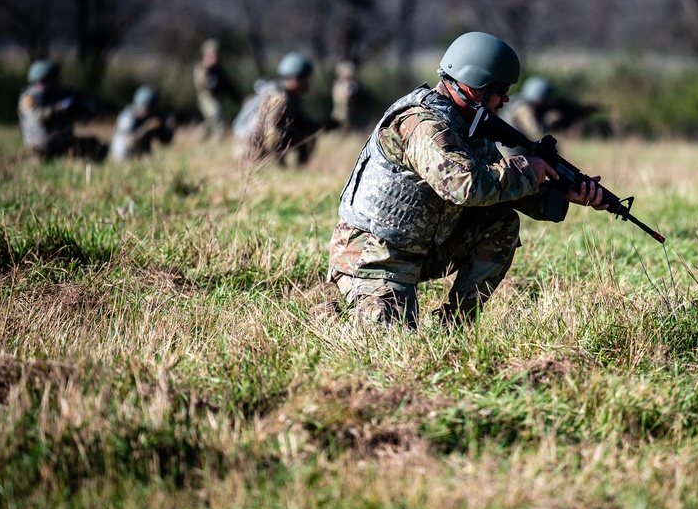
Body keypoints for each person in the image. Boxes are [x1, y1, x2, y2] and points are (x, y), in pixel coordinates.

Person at [327, 31, 609, 329]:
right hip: (374, 257)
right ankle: (334, 309)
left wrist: (560, 192)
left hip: (422, 248)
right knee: (392, 343)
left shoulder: (470, 127)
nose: (506, 99)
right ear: (476, 86)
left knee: (500, 221)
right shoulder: (422, 124)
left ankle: (458, 324)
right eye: (501, 89)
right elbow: (464, 187)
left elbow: (497, 186)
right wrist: (528, 167)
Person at [235, 52, 325, 167]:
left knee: (306, 132)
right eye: (306, 77)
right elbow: (270, 130)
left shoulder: (291, 97)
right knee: (277, 134)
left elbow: (302, 122)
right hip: (250, 150)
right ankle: (279, 168)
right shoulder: (280, 98)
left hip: (258, 146)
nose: (309, 82)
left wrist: (325, 124)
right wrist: (278, 164)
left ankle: (299, 168)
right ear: (295, 78)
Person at [17, 59, 107, 162]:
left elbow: (78, 110)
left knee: (95, 146)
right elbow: (37, 116)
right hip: (41, 145)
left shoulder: (60, 94)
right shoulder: (29, 98)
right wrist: (58, 108)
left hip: (62, 142)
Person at [192, 39, 242, 140]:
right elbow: (202, 85)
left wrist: (236, 96)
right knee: (217, 114)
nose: (215, 57)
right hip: (206, 99)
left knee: (211, 121)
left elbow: (226, 83)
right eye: (212, 54)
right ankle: (218, 140)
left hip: (218, 98)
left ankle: (198, 137)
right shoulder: (201, 69)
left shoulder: (218, 69)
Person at [109, 86, 176, 162]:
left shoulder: (152, 118)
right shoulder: (128, 117)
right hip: (123, 158)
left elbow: (165, 141)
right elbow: (129, 141)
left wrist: (167, 128)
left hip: (142, 159)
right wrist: (147, 128)